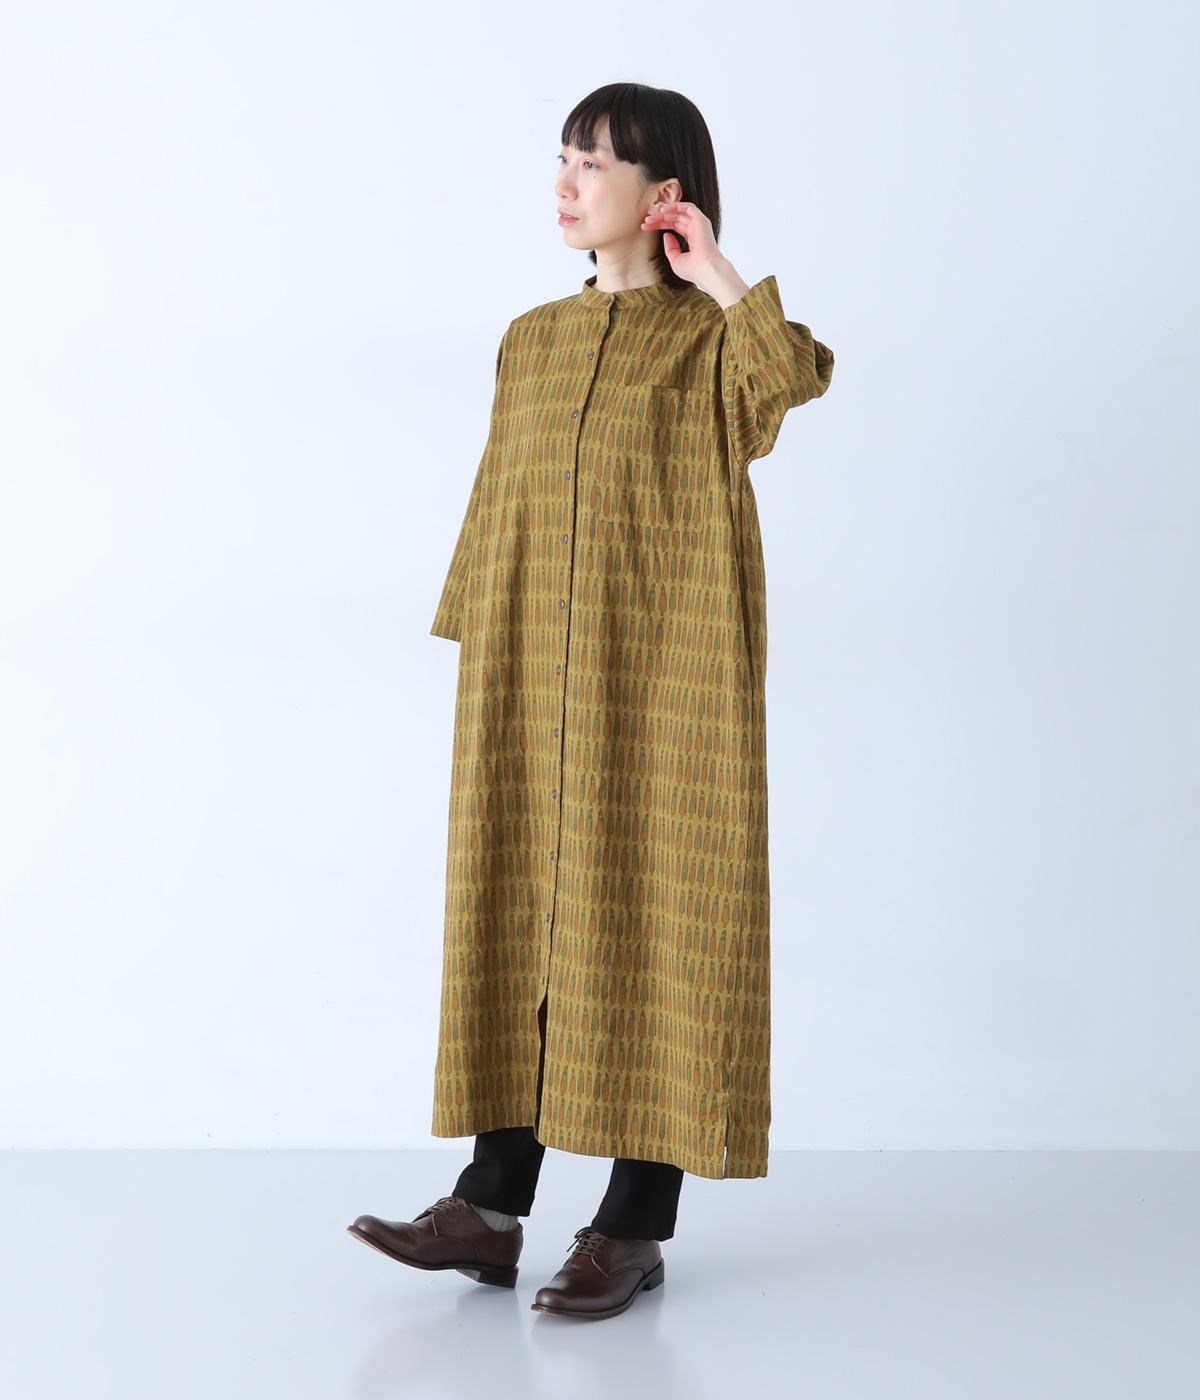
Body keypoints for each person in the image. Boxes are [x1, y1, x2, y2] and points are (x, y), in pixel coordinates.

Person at [348, 81, 834, 1322]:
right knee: (517, 908)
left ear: (663, 192)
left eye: (595, 163)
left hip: (665, 679)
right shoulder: (531, 339)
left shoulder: (714, 342)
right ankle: (488, 1205)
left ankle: (631, 1224)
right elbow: (497, 493)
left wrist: (712, 270)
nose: (566, 183)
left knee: (659, 916)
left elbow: (790, 383)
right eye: (562, 157)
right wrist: (479, 635)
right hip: (526, 671)